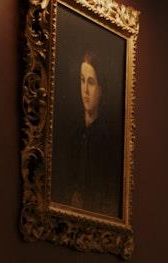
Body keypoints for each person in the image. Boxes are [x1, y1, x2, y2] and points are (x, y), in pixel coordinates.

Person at [54, 48, 120, 217]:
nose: (85, 90)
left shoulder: (107, 142)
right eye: (82, 80)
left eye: (91, 82)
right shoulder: (72, 136)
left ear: (100, 88)